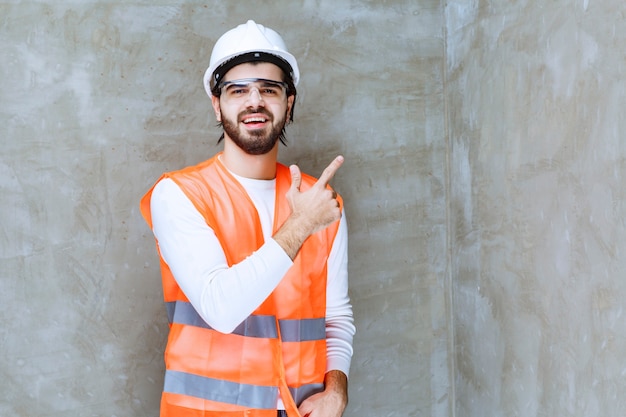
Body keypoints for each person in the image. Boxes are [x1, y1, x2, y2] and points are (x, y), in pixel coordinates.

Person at [140, 20, 355, 417]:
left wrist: (337, 389)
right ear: (216, 103)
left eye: (269, 89)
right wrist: (301, 225)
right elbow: (220, 307)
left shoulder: (319, 199)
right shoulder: (179, 195)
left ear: (288, 103)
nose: (254, 101)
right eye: (237, 90)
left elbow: (336, 316)